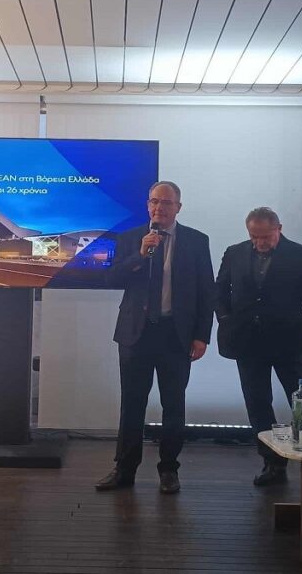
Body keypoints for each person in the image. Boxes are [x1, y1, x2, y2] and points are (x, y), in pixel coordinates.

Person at [95, 181, 214, 495]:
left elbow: (207, 291)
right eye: (153, 201)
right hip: (136, 334)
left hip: (176, 334)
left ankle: (169, 470)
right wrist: (140, 254)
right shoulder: (131, 238)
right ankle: (124, 469)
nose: (158, 208)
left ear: (178, 207)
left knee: (173, 405)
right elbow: (112, 279)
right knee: (131, 404)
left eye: (166, 203)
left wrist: (202, 336)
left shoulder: (197, 241)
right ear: (148, 205)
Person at [214, 207, 302, 486]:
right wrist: (226, 319)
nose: (259, 242)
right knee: (257, 403)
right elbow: (219, 291)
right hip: (247, 342)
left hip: (289, 342)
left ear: (279, 228)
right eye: (254, 236)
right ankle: (272, 463)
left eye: (265, 236)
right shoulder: (235, 253)